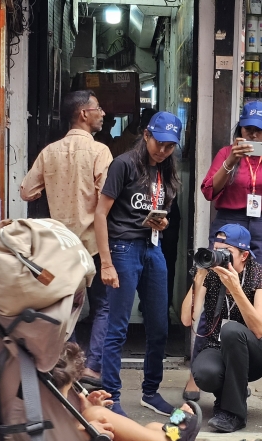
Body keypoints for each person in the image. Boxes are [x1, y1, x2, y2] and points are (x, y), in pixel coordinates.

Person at [52, 343, 262, 441]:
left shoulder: (46, 418)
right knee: (95, 415)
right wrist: (88, 421)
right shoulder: (47, 428)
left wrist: (86, 420)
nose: (74, 396)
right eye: (70, 391)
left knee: (152, 425)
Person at [192, 102, 262, 401]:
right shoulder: (227, 154)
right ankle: (197, 369)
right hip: (229, 221)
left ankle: (239, 373)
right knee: (215, 290)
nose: (251, 133)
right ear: (239, 128)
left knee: (250, 295)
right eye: (246, 128)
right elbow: (209, 190)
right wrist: (230, 163)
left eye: (257, 129)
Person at [20, 90, 113, 383]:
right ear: (84, 114)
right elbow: (105, 200)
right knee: (103, 305)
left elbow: (26, 191)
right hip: (93, 245)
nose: (103, 114)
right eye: (98, 108)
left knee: (62, 305)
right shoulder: (100, 152)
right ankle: (91, 364)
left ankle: (56, 362)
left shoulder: (49, 152)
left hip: (60, 247)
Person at [95, 111, 181, 417]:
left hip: (152, 246)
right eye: (159, 143)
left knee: (159, 325)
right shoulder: (124, 164)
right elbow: (100, 214)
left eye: (170, 146)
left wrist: (162, 222)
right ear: (146, 135)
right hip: (122, 247)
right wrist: (106, 262)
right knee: (117, 326)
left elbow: (162, 210)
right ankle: (111, 395)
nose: (162, 150)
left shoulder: (167, 171)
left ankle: (150, 391)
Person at [181, 225, 262, 433]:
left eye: (226, 252)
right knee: (204, 374)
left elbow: (259, 329)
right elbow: (187, 319)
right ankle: (226, 401)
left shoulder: (260, 274)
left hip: (254, 353)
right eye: (217, 250)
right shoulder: (211, 273)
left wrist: (235, 289)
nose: (219, 257)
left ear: (244, 255)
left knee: (232, 330)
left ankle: (235, 414)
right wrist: (198, 279)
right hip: (217, 346)